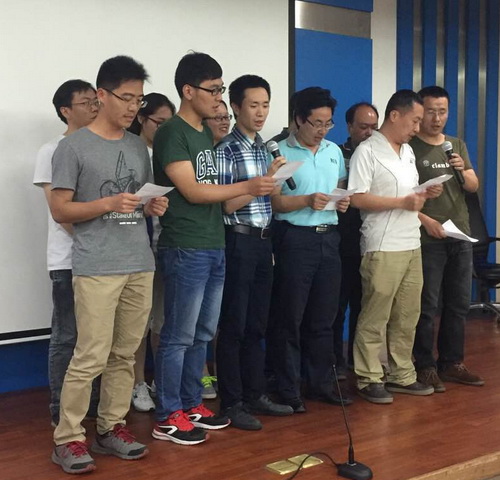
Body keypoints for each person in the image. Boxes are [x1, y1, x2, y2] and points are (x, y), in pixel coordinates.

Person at [50, 56, 168, 474]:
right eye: (126, 97)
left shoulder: (137, 146)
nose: (134, 106)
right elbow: (60, 210)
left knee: (124, 353)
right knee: (90, 355)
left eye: (139, 99)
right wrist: (107, 204)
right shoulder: (73, 147)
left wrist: (152, 205)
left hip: (139, 261)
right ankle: (68, 437)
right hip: (97, 265)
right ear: (101, 95)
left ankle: (111, 427)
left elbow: (136, 200)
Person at [152, 52, 275, 446]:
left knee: (203, 332)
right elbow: (191, 190)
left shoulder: (205, 134)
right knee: (178, 334)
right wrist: (249, 186)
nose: (219, 97)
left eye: (221, 89)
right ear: (188, 91)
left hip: (214, 243)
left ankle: (192, 403)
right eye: (213, 90)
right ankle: (167, 413)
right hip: (185, 244)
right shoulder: (173, 132)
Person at [348, 89, 441, 404]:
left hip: (411, 241)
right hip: (382, 244)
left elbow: (408, 194)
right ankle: (369, 377)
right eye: (414, 120)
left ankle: (402, 374)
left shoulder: (408, 151)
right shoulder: (367, 151)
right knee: (376, 315)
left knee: (407, 314)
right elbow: (357, 197)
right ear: (395, 115)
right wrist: (401, 202)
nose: (417, 127)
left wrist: (424, 194)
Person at [215, 74, 293, 430]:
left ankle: (255, 393)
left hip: (264, 240)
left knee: (257, 323)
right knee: (234, 323)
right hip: (238, 240)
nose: (260, 113)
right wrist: (259, 184)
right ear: (236, 107)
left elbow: (269, 198)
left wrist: (272, 183)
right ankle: (232, 402)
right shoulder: (225, 149)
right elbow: (226, 204)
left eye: (265, 105)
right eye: (253, 105)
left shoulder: (265, 148)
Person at [270, 86, 352, 413]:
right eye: (317, 123)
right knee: (289, 317)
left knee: (324, 317)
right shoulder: (280, 152)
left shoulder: (333, 151)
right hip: (295, 239)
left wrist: (342, 201)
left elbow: (340, 186)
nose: (322, 130)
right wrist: (305, 200)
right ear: (299, 119)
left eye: (328, 123)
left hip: (329, 238)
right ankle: (288, 389)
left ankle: (321, 384)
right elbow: (274, 202)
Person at [33, 80, 100, 427]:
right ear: (65, 111)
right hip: (69, 259)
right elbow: (60, 211)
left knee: (98, 337)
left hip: (103, 259)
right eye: (86, 102)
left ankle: (94, 404)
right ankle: (61, 408)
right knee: (68, 336)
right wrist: (95, 242)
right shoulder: (52, 150)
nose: (94, 107)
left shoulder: (102, 147)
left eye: (96, 101)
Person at [411, 86, 484, 391]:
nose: (437, 118)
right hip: (428, 237)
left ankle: (452, 363)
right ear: (420, 112)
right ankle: (424, 365)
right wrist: (424, 219)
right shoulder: (411, 146)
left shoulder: (456, 145)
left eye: (442, 112)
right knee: (427, 305)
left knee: (458, 303)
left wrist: (462, 170)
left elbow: (473, 185)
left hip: (460, 234)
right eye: (431, 112)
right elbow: (402, 195)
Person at [128, 92, 176, 412]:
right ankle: (137, 384)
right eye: (159, 122)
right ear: (142, 119)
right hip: (137, 246)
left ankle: (160, 379)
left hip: (167, 243)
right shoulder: (132, 150)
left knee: (162, 319)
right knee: (138, 324)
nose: (164, 129)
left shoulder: (171, 151)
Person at [333, 102, 379, 377]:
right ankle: (335, 362)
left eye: (374, 127)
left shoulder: (381, 155)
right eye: (363, 127)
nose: (369, 133)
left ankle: (358, 360)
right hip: (341, 239)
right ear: (349, 126)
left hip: (372, 239)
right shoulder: (336, 154)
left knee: (365, 306)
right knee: (337, 305)